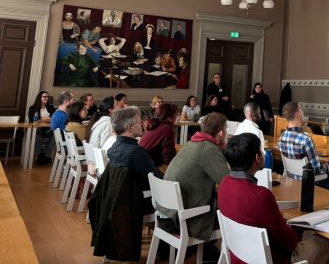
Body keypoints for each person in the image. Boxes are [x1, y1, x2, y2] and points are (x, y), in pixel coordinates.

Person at [219, 133, 329, 264]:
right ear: (257, 157)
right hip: (274, 259)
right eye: (261, 150)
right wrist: (296, 226)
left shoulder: (224, 184)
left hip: (239, 256)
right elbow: (290, 242)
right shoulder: (261, 196)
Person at [91, 106, 159, 262]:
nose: (142, 125)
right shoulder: (136, 153)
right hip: (131, 205)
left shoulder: (114, 148)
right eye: (140, 122)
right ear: (130, 127)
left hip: (114, 205)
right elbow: (155, 180)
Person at [157, 113, 229, 245]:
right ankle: (217, 251)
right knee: (231, 211)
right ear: (221, 133)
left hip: (165, 213)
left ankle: (207, 250)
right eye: (226, 129)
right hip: (179, 220)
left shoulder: (192, 142)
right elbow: (229, 183)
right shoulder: (208, 149)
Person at [278, 101, 329, 192]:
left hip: (294, 181)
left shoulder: (281, 138)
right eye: (301, 110)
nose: (303, 112)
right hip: (315, 182)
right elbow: (317, 170)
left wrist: (320, 163)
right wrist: (327, 165)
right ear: (297, 114)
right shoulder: (305, 139)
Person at [139, 103, 178, 167]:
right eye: (176, 114)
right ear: (170, 116)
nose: (177, 117)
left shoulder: (156, 124)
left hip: (142, 162)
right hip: (147, 167)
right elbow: (168, 159)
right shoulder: (167, 128)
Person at [28, 90, 55, 164]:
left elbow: (54, 119)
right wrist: (47, 119)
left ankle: (44, 154)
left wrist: (41, 119)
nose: (46, 98)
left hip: (48, 129)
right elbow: (32, 120)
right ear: (39, 97)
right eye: (44, 96)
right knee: (37, 134)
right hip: (37, 129)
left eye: (47, 97)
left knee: (56, 135)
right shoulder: (32, 108)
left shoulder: (51, 107)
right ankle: (40, 154)